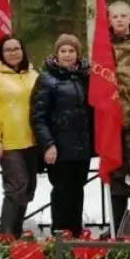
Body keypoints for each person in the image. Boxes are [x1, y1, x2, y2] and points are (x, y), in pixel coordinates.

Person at [0, 34, 41, 236]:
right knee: (16, 186)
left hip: (32, 140)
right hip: (8, 142)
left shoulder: (33, 74)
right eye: (8, 49)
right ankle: (6, 235)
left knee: (29, 187)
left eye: (16, 48)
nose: (13, 53)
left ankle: (17, 230)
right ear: (1, 53)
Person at [32, 34, 92, 236]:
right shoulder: (47, 79)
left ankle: (76, 232)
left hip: (81, 148)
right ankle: (60, 234)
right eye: (63, 51)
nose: (67, 55)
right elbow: (38, 117)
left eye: (71, 51)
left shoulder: (85, 77)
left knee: (78, 190)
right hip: (58, 148)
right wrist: (48, 144)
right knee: (62, 192)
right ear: (56, 54)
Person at [109, 0, 130, 232]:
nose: (119, 20)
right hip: (113, 123)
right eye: (114, 16)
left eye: (123, 16)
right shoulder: (103, 48)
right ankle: (117, 227)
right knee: (117, 175)